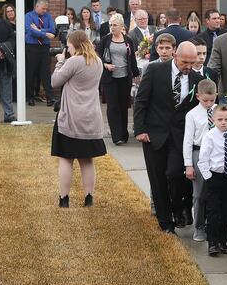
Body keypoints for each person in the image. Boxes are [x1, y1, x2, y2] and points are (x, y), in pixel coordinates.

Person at [134, 42, 203, 233]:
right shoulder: (155, 70)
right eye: (185, 62)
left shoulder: (197, 78)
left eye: (192, 62)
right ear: (175, 56)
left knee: (175, 174)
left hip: (181, 136)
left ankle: (178, 207)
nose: (188, 66)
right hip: (153, 135)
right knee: (157, 179)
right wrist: (139, 129)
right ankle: (166, 223)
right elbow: (140, 100)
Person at [51, 30, 106, 208]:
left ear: (74, 44)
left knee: (66, 159)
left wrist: (60, 62)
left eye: (68, 45)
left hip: (71, 118)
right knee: (87, 160)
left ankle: (64, 199)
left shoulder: (74, 61)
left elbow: (55, 81)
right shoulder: (98, 62)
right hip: (91, 118)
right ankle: (89, 197)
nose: (67, 49)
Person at [197, 104, 227, 256]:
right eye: (220, 119)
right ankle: (212, 243)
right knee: (213, 211)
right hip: (214, 177)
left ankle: (223, 242)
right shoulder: (209, 136)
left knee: (226, 212)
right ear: (213, 120)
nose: (223, 122)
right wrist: (209, 178)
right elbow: (202, 161)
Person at [97, 13, 140, 145]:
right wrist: (105, 65)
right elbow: (97, 56)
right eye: (110, 25)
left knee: (123, 106)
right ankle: (117, 136)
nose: (112, 27)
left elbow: (132, 58)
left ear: (121, 26)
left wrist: (136, 74)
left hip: (124, 77)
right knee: (112, 106)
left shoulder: (128, 40)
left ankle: (123, 133)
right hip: (110, 79)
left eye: (115, 25)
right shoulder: (105, 40)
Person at [183, 79, 217, 242]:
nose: (209, 104)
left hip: (216, 154)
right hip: (199, 153)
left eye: (212, 100)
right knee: (199, 194)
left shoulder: (220, 111)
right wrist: (188, 164)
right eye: (205, 100)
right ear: (198, 96)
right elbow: (187, 141)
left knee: (215, 192)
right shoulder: (192, 115)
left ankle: (214, 225)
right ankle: (199, 227)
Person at [24, 0, 56, 107]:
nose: (45, 11)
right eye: (43, 9)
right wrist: (45, 34)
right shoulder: (28, 16)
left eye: (46, 9)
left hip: (44, 48)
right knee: (31, 73)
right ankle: (30, 97)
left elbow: (52, 30)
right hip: (32, 47)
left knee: (46, 73)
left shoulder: (48, 16)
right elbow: (30, 31)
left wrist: (39, 30)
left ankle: (50, 98)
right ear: (37, 6)